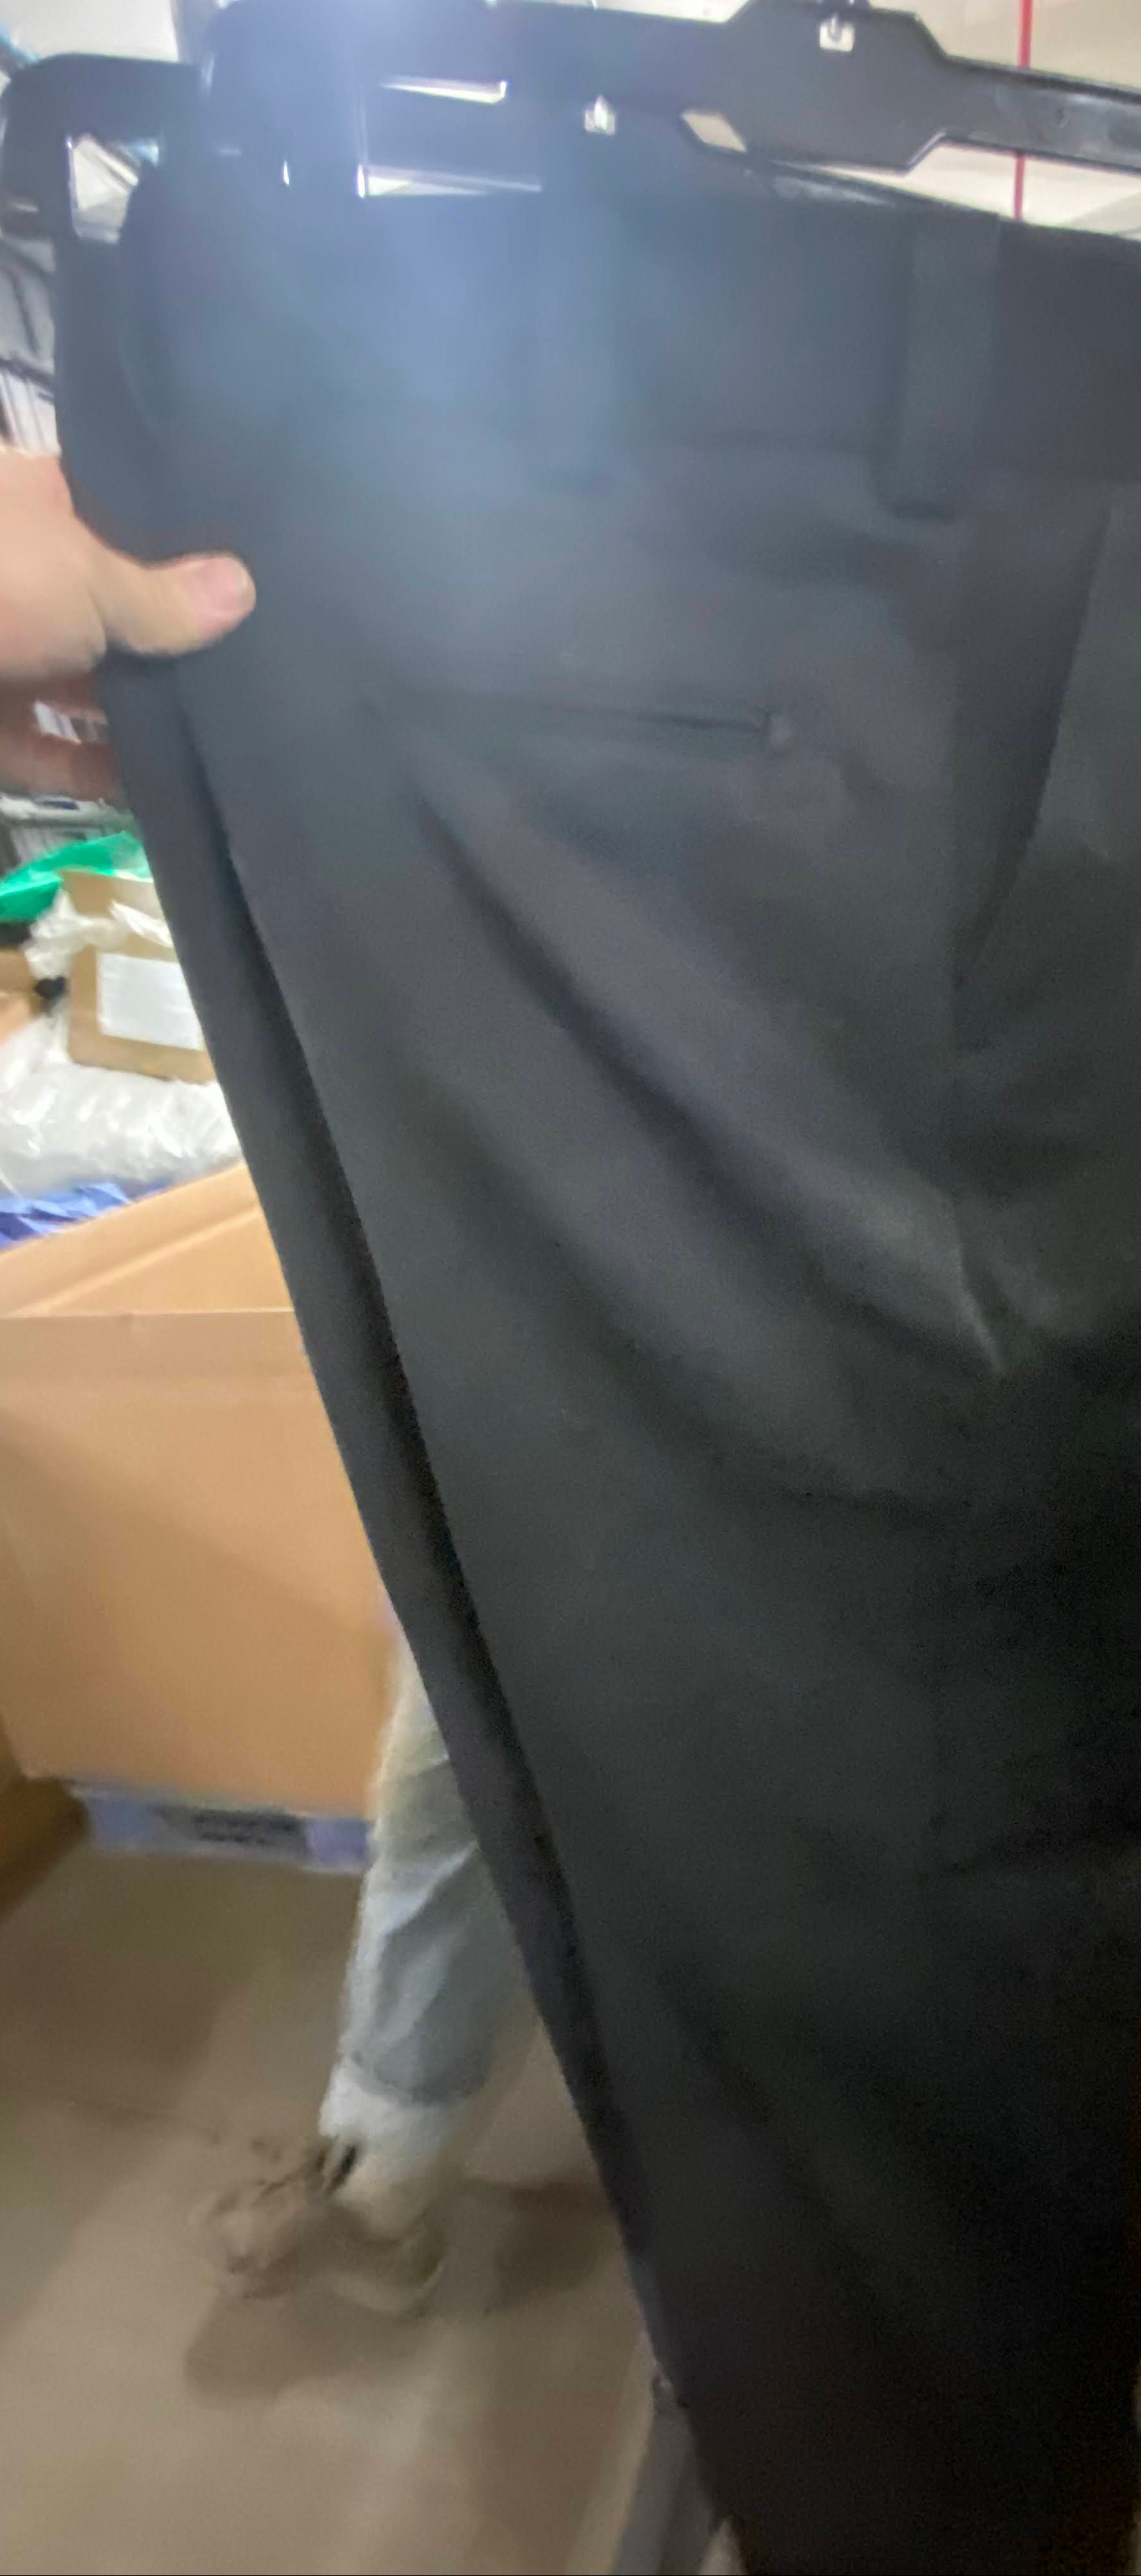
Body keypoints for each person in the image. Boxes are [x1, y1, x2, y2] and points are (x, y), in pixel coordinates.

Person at [0, 448, 535, 2311]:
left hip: (780, 1355)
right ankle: (387, 2169)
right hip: (512, 1345)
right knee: (454, 1754)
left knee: (764, 1827)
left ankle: (767, 2265)